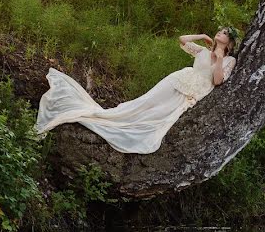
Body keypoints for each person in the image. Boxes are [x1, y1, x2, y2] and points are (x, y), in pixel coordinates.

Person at [34, 27, 239, 154]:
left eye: (225, 33)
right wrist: (202, 35)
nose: (220, 33)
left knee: (158, 116)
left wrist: (220, 58)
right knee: (145, 102)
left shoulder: (229, 60)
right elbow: (183, 40)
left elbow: (218, 81)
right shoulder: (202, 50)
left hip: (191, 95)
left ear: (229, 42)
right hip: (177, 81)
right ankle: (108, 116)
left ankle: (119, 125)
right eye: (219, 31)